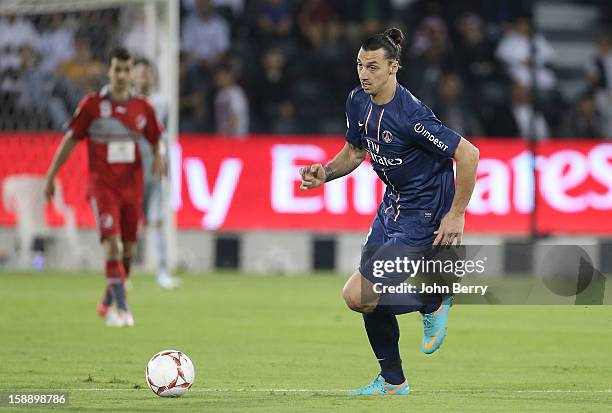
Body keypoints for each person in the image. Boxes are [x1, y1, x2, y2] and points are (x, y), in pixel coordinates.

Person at [299, 28, 479, 396]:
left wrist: (456, 213)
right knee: (368, 300)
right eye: (360, 65)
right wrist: (325, 173)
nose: (364, 74)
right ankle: (393, 382)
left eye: (374, 67)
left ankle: (434, 298)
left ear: (394, 67)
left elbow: (468, 154)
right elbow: (354, 152)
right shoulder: (357, 101)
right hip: (392, 208)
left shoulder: (412, 115)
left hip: (423, 215)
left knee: (357, 295)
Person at [44, 47, 167, 327]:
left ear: (133, 72)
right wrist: (52, 175)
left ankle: (109, 297)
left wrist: (159, 153)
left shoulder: (143, 108)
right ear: (109, 71)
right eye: (117, 69)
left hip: (132, 188)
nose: (123, 75)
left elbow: (157, 136)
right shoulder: (92, 106)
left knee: (129, 251)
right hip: (103, 187)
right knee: (112, 245)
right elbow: (70, 140)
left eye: (127, 69)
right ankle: (123, 309)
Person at [132, 58, 182, 289]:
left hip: (155, 169)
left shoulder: (162, 102)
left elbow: (162, 132)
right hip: (130, 170)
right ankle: (124, 272)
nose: (145, 77)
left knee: (158, 221)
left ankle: (162, 272)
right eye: (140, 72)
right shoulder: (123, 102)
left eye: (148, 73)